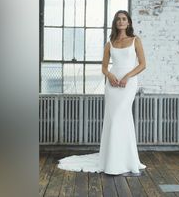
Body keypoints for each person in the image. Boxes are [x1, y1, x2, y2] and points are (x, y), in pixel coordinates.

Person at [58, 10, 146, 175]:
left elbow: (142, 64)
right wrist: (110, 75)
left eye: (124, 19)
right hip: (112, 84)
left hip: (128, 83)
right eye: (118, 19)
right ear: (115, 23)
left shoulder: (135, 40)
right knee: (114, 119)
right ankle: (113, 159)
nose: (121, 21)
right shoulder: (110, 43)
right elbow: (104, 67)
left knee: (121, 116)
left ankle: (125, 160)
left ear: (129, 22)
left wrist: (127, 76)